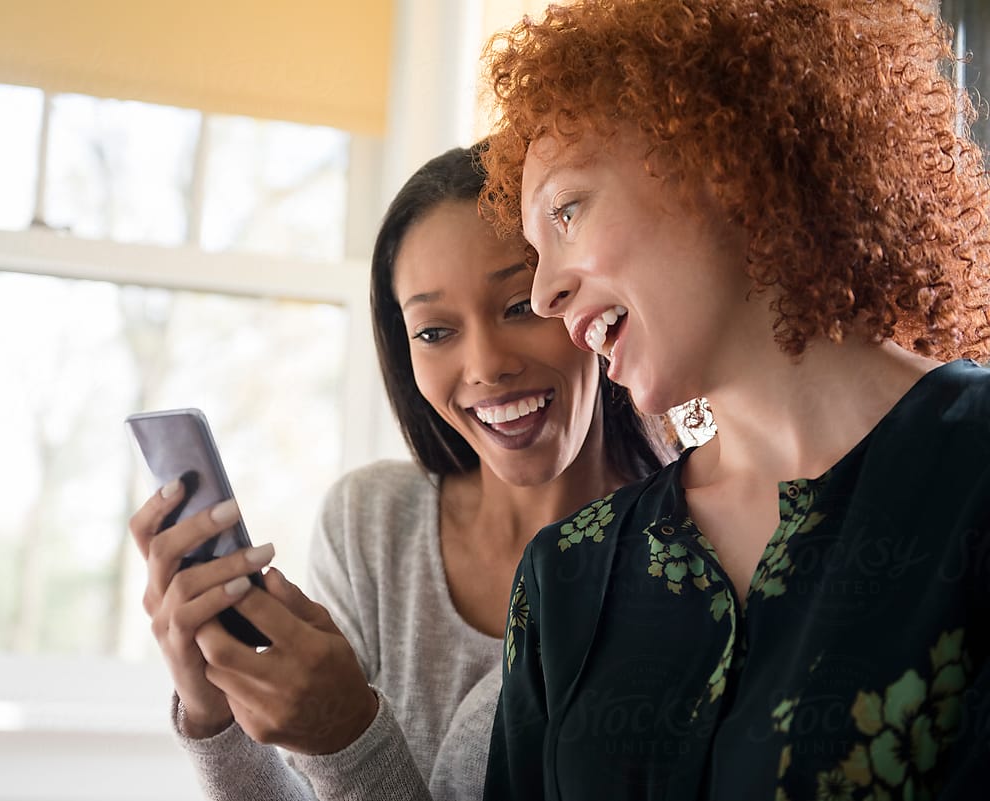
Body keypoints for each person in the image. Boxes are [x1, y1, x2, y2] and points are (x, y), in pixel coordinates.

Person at [477, 0, 990, 798]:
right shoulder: (565, 580)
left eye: (568, 212)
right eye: (537, 252)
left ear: (722, 151)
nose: (545, 292)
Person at [128, 144, 677, 800]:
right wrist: (214, 714)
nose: (485, 366)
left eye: (520, 306)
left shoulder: (678, 565)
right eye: (434, 332)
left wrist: (352, 738)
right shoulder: (373, 523)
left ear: (580, 298)